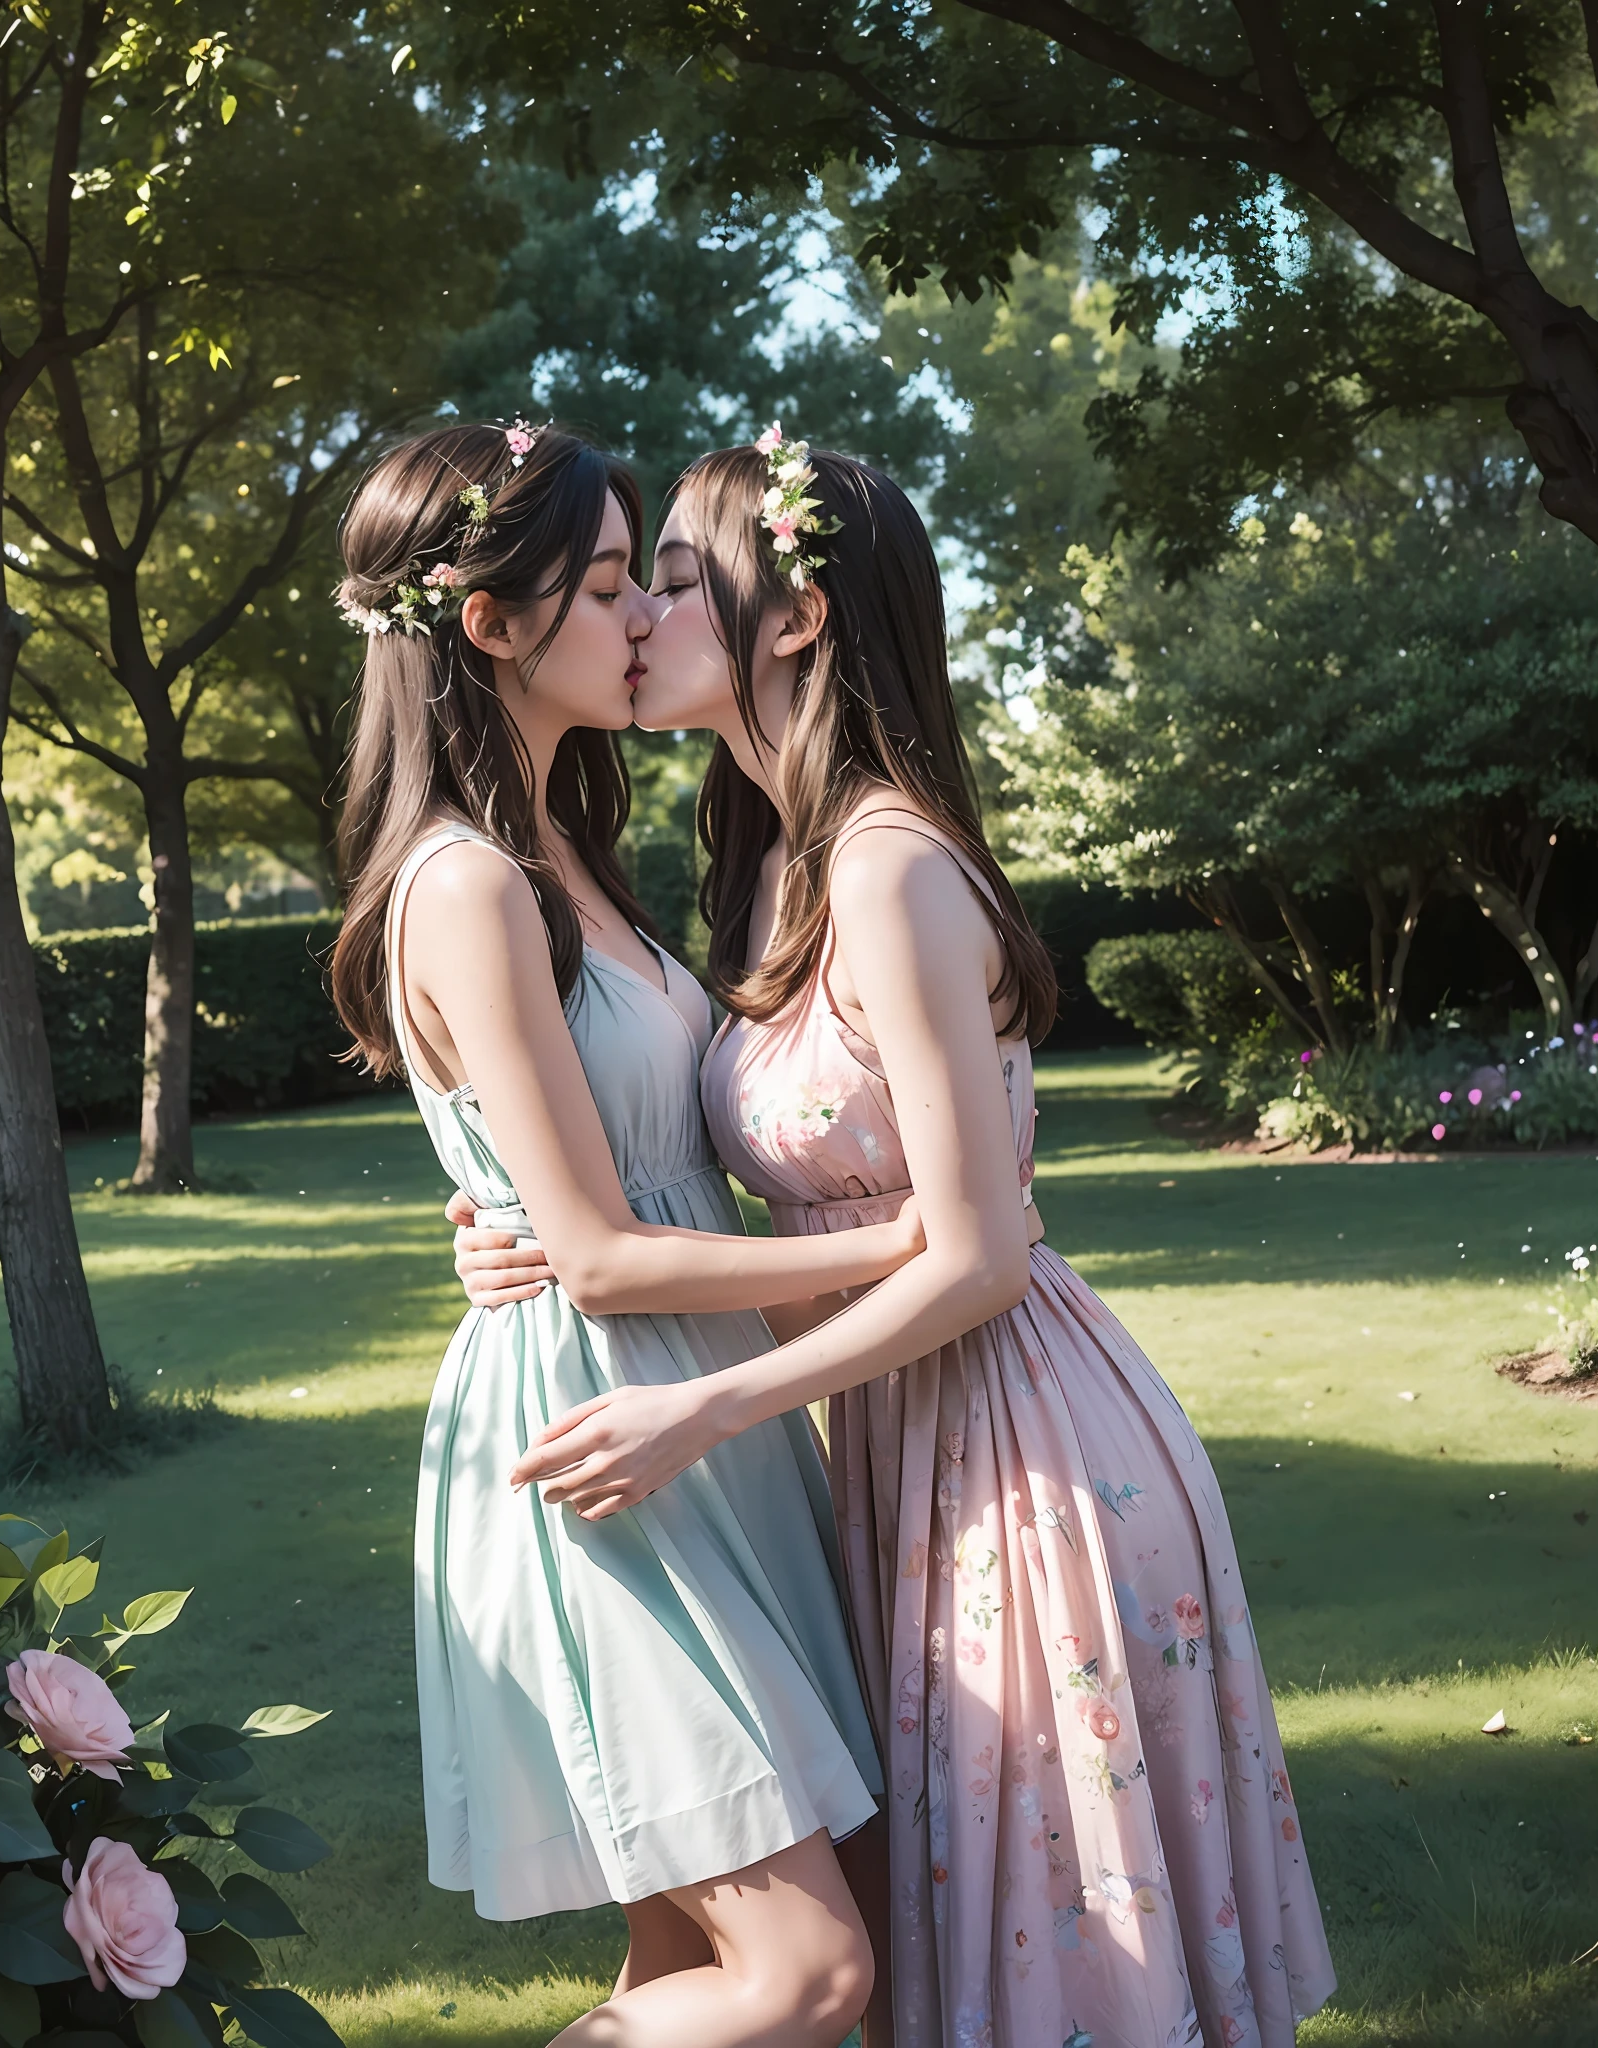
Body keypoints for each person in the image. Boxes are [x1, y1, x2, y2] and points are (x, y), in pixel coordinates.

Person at [498, 431, 1337, 2048]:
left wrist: (704, 1406)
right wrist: (520, 1230)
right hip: (890, 1435)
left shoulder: (888, 869)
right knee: (944, 1934)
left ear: (794, 616)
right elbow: (676, 1154)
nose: (642, 621)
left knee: (1056, 1943)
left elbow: (978, 1256)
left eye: (672, 582)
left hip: (1021, 1449)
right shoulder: (776, 873)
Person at [331, 420, 933, 2048]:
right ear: (490, 626)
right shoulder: (462, 884)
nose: (647, 617)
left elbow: (618, 1179)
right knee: (808, 1974)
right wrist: (906, 1250)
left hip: (706, 1410)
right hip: (606, 1431)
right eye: (609, 586)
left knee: (717, 1966)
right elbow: (591, 1252)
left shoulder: (576, 853)